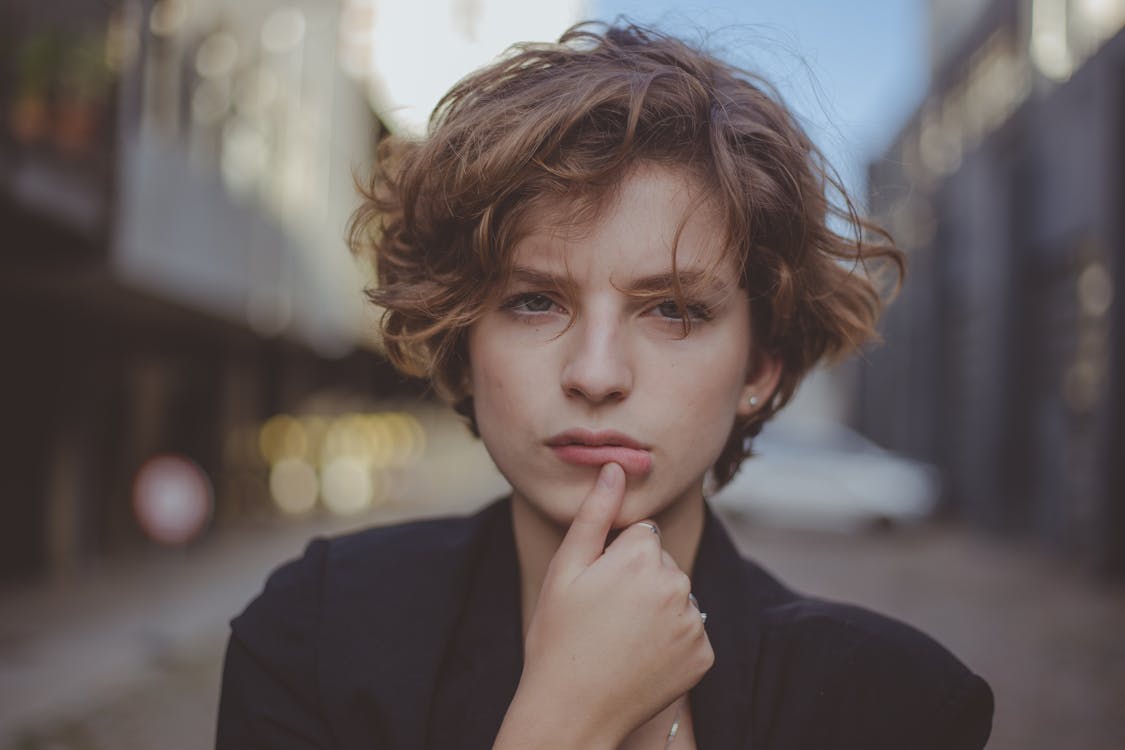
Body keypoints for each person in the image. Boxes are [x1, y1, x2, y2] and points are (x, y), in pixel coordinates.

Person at [216, 21, 993, 750]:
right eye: (534, 301)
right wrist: (563, 722)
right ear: (460, 340)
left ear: (761, 367)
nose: (594, 374)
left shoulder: (894, 706)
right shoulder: (313, 633)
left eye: (674, 311)